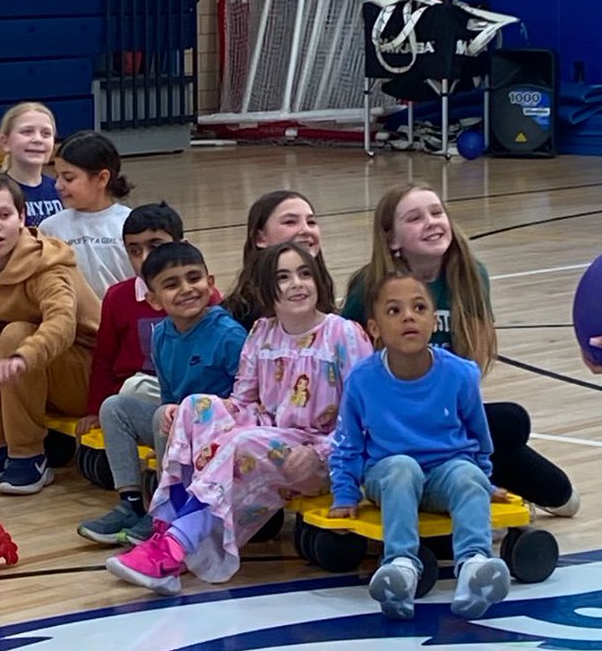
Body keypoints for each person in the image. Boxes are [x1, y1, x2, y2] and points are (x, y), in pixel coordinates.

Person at [106, 241, 373, 594]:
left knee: (241, 441)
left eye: (304, 273)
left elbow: (364, 417)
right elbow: (243, 402)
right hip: (268, 438)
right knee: (194, 406)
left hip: (319, 456)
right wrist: (193, 413)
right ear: (265, 288)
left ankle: (174, 548)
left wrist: (320, 453)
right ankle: (170, 528)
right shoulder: (262, 332)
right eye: (283, 276)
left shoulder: (343, 334)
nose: (297, 283)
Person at [342, 183, 579, 516]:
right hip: (389, 428)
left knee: (558, 489)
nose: (431, 222)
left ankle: (477, 474)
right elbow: (339, 355)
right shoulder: (369, 286)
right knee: (507, 426)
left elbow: (468, 364)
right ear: (392, 240)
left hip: (444, 421)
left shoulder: (471, 276)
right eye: (414, 218)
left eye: (437, 212)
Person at [330, 271, 511, 621]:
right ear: (374, 328)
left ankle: (475, 567)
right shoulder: (362, 380)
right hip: (390, 474)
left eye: (419, 308)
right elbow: (347, 444)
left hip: (445, 473)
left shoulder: (461, 374)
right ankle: (401, 567)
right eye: (394, 311)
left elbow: (479, 438)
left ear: (433, 320)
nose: (409, 317)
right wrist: (345, 493)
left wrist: (482, 480)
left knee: (465, 473)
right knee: (402, 468)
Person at [77, 241, 246, 548]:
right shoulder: (162, 335)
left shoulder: (229, 335)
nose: (186, 289)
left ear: (210, 284)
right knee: (115, 406)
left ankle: (169, 510)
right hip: (179, 428)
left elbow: (249, 400)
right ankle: (131, 503)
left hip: (221, 434)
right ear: (154, 300)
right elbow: (168, 395)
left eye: (193, 278)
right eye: (171, 284)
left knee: (164, 415)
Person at [0, 172, 100, 495]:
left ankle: (30, 455)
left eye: (4, 215)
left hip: (89, 378)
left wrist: (23, 355)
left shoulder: (45, 264)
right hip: (35, 375)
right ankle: (3, 446)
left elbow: (63, 324)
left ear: (21, 217)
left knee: (15, 335)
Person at [76, 202, 223, 435]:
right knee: (133, 389)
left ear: (181, 247)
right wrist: (94, 409)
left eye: (155, 246)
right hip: (142, 392)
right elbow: (104, 357)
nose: (145, 258)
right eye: (134, 251)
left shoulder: (202, 295)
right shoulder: (117, 297)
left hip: (192, 392)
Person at [38, 130, 133, 297]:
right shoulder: (49, 228)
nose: (58, 185)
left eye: (68, 178)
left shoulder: (130, 223)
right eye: (57, 176)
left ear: (102, 178)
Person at [223, 190, 335, 330]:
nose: (306, 230)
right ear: (260, 238)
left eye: (311, 222)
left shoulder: (340, 325)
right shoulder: (238, 320)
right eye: (290, 222)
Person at [0, 101, 62, 229]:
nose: (38, 139)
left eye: (46, 134)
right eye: (27, 132)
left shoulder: (61, 189)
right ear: (5, 142)